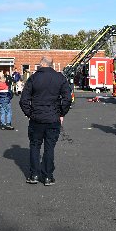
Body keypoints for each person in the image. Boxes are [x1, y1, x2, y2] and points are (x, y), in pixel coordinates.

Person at [20, 56, 72, 186]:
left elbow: (23, 100)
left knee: (35, 145)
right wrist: (61, 113)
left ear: (41, 64)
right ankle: (48, 176)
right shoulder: (60, 78)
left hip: (36, 117)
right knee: (49, 148)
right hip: (53, 117)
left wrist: (29, 113)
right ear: (51, 65)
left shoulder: (33, 78)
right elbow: (67, 98)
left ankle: (34, 175)